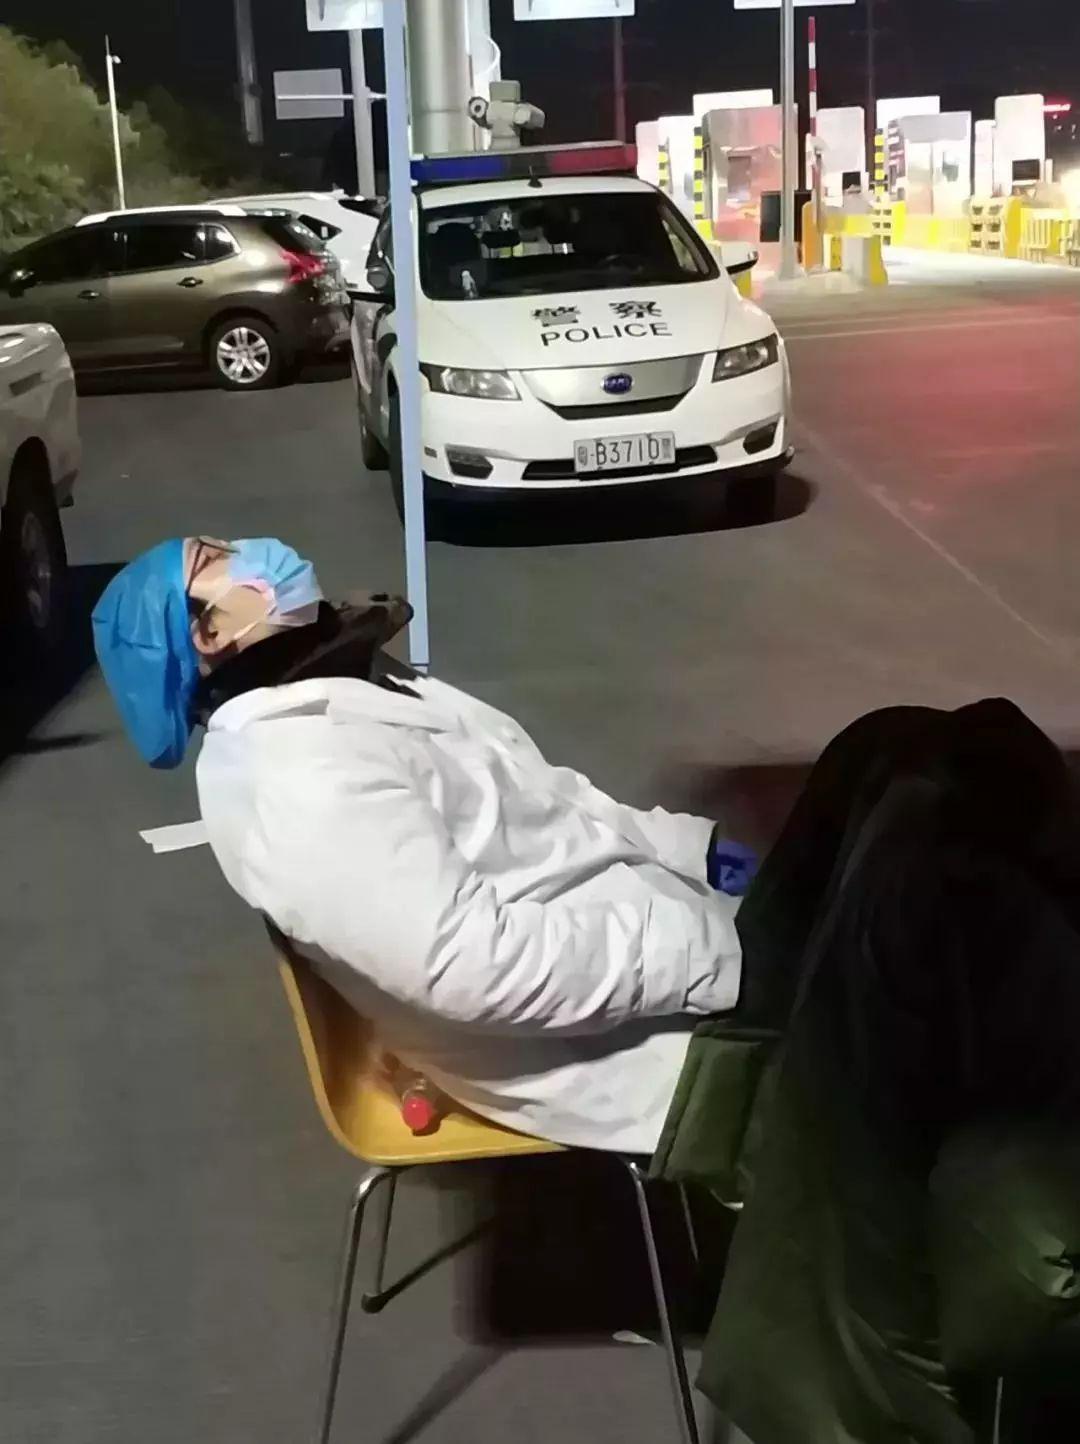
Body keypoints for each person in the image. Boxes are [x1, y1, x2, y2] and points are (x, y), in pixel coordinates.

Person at [93, 536, 750, 1154]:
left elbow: (542, 797)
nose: (249, 552)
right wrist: (716, 952)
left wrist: (690, 850)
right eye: (215, 557)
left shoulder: (351, 684)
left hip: (649, 940)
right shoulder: (297, 778)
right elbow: (472, 967)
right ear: (208, 635)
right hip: (620, 1049)